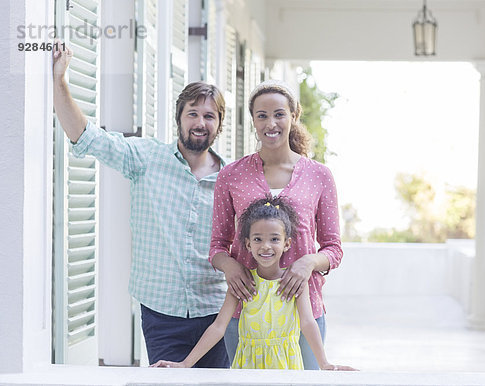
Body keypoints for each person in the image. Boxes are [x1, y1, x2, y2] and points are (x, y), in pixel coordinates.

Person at [52, 41, 230, 368]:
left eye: (209, 115)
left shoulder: (231, 178)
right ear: (180, 117)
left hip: (217, 314)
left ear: (219, 124)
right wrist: (60, 82)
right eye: (193, 113)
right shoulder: (146, 157)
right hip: (161, 314)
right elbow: (85, 136)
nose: (200, 122)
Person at [209, 79, 343, 370]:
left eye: (279, 114)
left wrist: (307, 262)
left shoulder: (319, 175)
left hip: (305, 315)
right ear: (253, 121)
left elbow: (333, 248)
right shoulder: (230, 175)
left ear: (293, 116)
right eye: (262, 115)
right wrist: (231, 266)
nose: (271, 123)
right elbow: (218, 245)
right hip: (246, 314)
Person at [151, 197, 355, 370]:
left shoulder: (294, 284)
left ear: (287, 243)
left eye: (274, 239)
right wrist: (185, 364)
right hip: (247, 369)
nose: (265, 246)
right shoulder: (243, 284)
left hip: (286, 368)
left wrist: (325, 363)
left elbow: (308, 323)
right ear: (248, 244)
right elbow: (218, 327)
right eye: (258, 239)